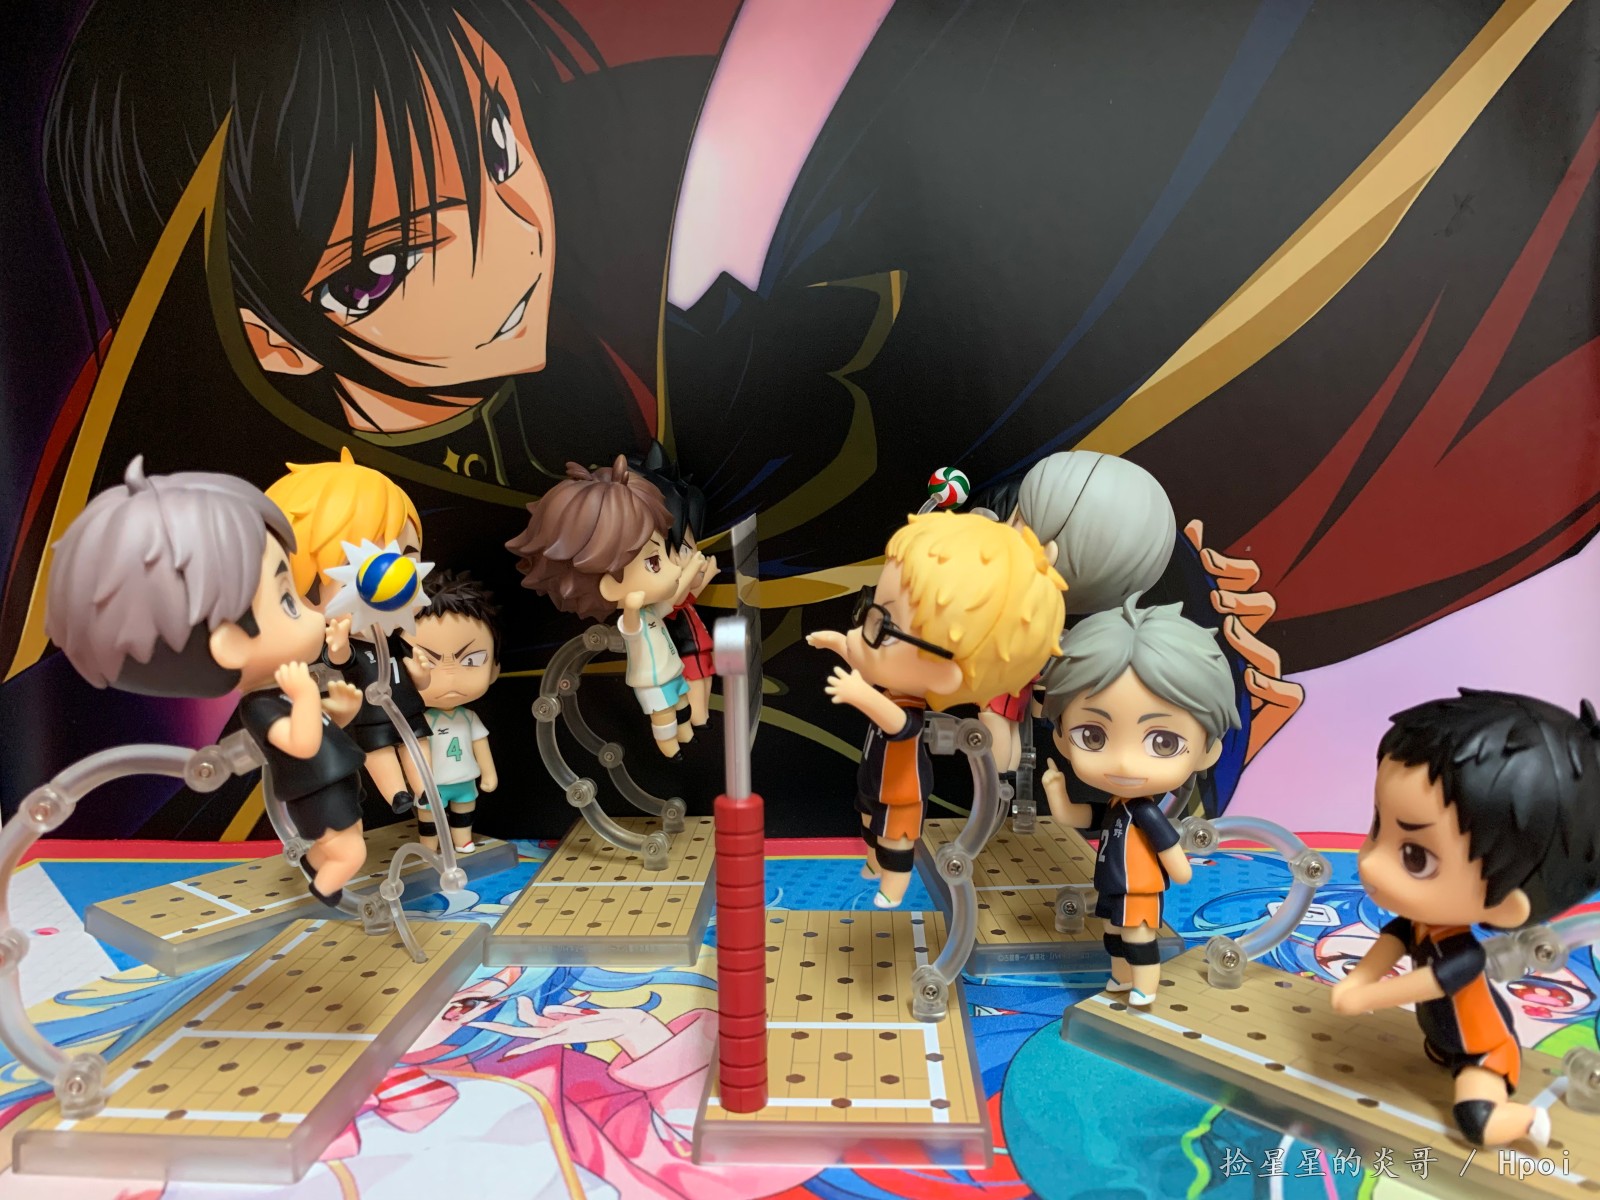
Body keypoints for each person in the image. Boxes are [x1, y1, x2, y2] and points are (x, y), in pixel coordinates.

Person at [43, 458, 369, 903]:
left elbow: (315, 735)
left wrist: (339, 712)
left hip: (333, 784)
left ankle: (320, 868)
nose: (315, 614)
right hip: (317, 793)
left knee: (345, 847)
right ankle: (327, 891)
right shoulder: (262, 705)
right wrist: (307, 697)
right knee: (351, 854)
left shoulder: (280, 691)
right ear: (231, 645)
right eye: (288, 601)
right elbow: (303, 743)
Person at [1331, 690, 1600, 1149]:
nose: (1371, 863)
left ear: (1505, 908)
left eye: (1415, 857)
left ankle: (1527, 1121)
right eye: (1378, 826)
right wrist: (1357, 980)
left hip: (1483, 1050)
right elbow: (1391, 943)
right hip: (1439, 1042)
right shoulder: (1421, 923)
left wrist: (1366, 997)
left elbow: (1429, 983)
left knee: (1476, 1120)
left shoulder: (1463, 955)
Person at [808, 512, 1067, 906]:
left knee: (896, 839)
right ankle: (872, 863)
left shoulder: (908, 706)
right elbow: (865, 656)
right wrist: (838, 644)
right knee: (867, 819)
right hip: (874, 777)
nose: (865, 632)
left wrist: (859, 694)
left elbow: (897, 724)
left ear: (945, 674)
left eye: (884, 629)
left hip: (902, 789)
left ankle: (892, 889)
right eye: (874, 612)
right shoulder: (893, 682)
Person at [1038, 595, 1240, 1005]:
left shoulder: (1146, 811)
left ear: (1207, 751)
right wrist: (1057, 794)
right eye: (1093, 736)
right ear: (1061, 736)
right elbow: (1080, 816)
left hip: (1139, 891)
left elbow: (1171, 854)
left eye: (1163, 742)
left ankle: (1144, 986)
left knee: (1138, 937)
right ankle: (1120, 978)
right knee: (1114, 935)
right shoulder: (1117, 807)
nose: (1125, 762)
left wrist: (1179, 868)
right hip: (1113, 887)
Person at [267, 450, 433, 814]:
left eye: (406, 557)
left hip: (407, 706)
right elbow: (340, 660)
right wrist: (339, 643)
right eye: (354, 567)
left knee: (417, 740)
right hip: (370, 715)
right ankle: (398, 794)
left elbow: (412, 672)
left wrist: (421, 673)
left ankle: (425, 789)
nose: (393, 578)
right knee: (377, 748)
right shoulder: (334, 640)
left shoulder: (395, 639)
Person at [507, 457, 705, 757]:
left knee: (681, 704)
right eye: (654, 562)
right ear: (609, 586)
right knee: (664, 714)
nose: (671, 567)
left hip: (672, 671)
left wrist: (690, 571)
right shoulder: (633, 618)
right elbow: (632, 625)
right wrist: (632, 607)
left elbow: (673, 596)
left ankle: (685, 733)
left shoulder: (651, 611)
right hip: (652, 681)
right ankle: (669, 747)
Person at [410, 572, 502, 853]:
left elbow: (480, 745)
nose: (450, 677)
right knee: (429, 816)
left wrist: (489, 774)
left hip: (464, 779)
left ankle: (463, 840)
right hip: (432, 783)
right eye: (428, 663)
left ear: (494, 668)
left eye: (471, 660)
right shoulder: (421, 720)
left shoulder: (469, 718)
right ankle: (429, 846)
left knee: (464, 810)